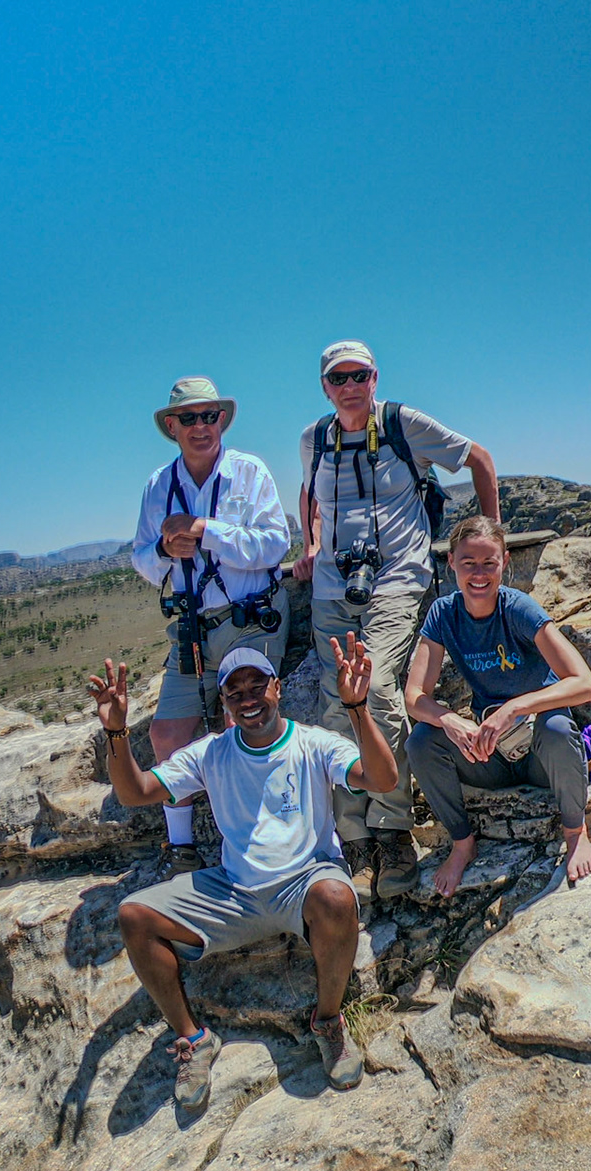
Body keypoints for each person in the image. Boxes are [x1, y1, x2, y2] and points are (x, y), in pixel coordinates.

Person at [89, 639, 398, 1108]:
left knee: (336, 898)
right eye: (236, 693)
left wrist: (357, 708)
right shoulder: (210, 754)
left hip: (304, 884)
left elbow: (384, 780)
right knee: (134, 915)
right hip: (234, 891)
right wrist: (116, 732)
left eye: (258, 685)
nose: (249, 699)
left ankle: (328, 1022)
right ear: (225, 704)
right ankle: (193, 1040)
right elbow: (136, 792)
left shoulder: (312, 743)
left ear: (277, 687)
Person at [290, 340, 503, 903]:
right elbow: (310, 492)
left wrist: (491, 537)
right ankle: (354, 837)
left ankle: (392, 831)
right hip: (334, 587)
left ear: (375, 378)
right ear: (325, 387)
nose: (349, 386)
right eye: (338, 379)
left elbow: (478, 458)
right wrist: (311, 543)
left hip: (397, 578)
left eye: (359, 375)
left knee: (379, 687)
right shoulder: (315, 438)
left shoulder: (404, 423)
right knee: (336, 699)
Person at [131, 377, 293, 874]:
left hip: (250, 616)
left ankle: (247, 839)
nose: (201, 426)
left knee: (240, 721)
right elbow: (141, 558)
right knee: (167, 734)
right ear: (172, 426)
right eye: (190, 418)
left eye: (209, 416)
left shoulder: (250, 472)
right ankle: (180, 846)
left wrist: (207, 533)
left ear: (221, 420)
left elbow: (275, 544)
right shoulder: (160, 485)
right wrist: (163, 550)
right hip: (194, 628)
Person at [402, 517, 591, 896]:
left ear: (504, 562)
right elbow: (414, 698)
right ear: (452, 564)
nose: (479, 574)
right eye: (468, 564)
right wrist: (448, 720)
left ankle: (576, 832)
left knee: (558, 728)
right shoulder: (444, 615)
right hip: (490, 754)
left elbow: (585, 684)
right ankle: (463, 842)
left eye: (489, 563)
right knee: (422, 742)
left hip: (542, 754)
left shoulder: (518, 609)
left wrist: (514, 707)